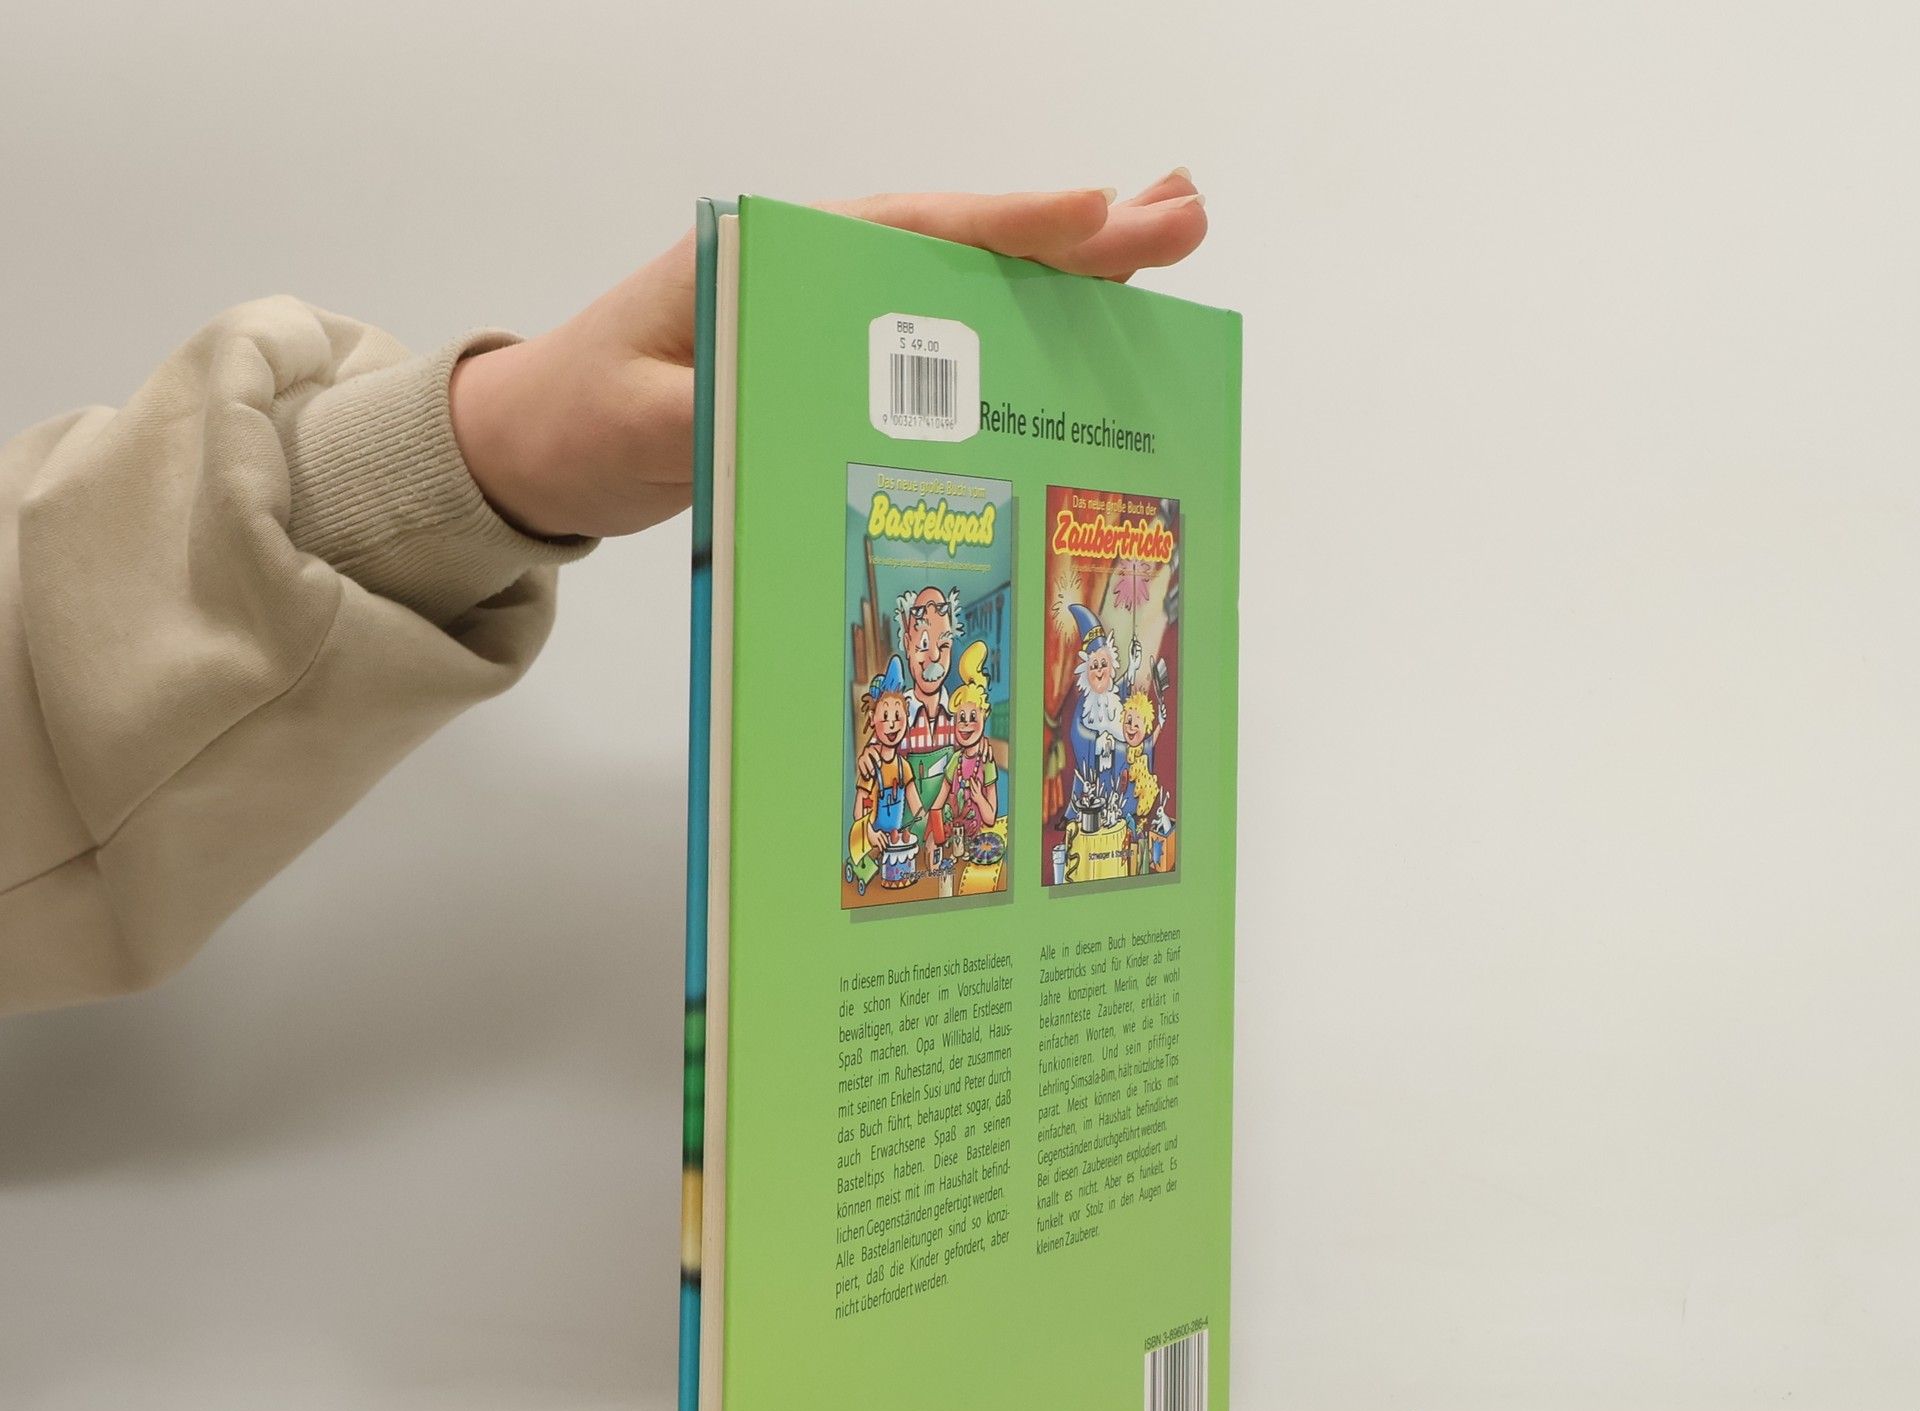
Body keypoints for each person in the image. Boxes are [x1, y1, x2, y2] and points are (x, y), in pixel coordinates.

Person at [0, 178, 1206, 1017]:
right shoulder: (906, 694)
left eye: (943, 633)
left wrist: (473, 451)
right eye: (927, 629)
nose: (936, 644)